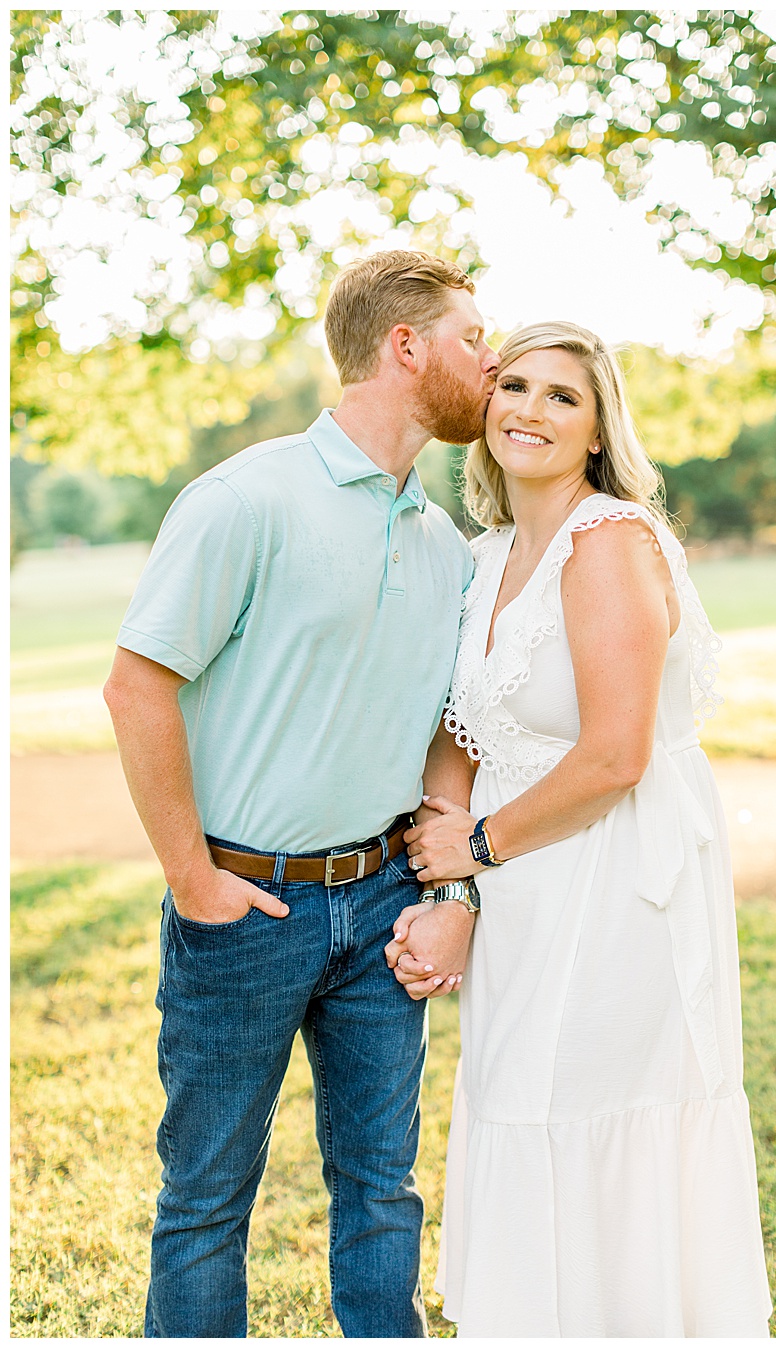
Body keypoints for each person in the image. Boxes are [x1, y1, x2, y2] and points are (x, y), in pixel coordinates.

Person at [103, 250, 497, 1336]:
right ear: (404, 347)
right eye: (473, 336)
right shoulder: (246, 499)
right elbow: (136, 688)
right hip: (244, 906)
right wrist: (193, 879)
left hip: (381, 907)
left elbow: (445, 734)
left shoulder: (445, 542)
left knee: (383, 1194)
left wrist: (448, 898)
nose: (493, 357)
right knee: (204, 1204)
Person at [386, 321, 773, 1335]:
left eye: (564, 396)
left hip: (616, 875)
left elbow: (614, 755)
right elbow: (458, 731)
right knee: (517, 1099)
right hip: (521, 876)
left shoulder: (610, 543)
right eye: (514, 385)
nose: (531, 410)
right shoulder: (488, 553)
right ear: (486, 409)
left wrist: (475, 846)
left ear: (600, 429)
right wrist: (456, 888)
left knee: (588, 1104)